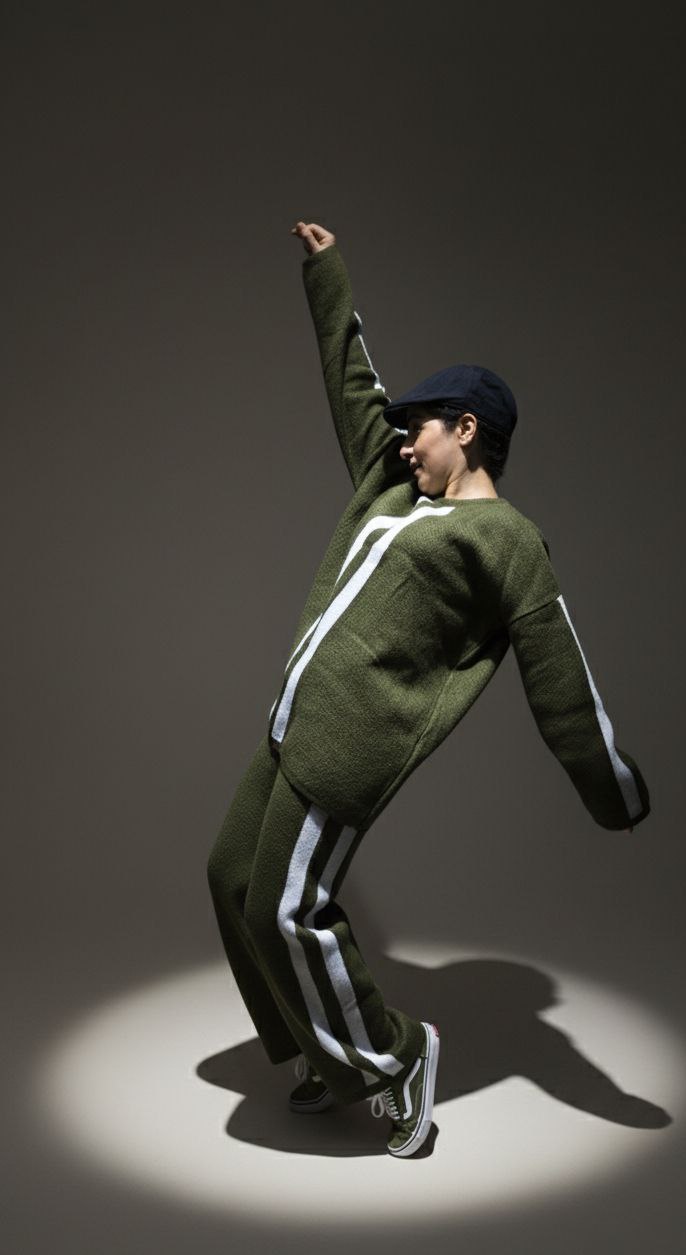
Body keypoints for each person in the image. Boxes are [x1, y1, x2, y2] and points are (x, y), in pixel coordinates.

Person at [206, 219, 650, 1159]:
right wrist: (327, 275)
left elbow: (559, 671)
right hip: (289, 725)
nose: (405, 443)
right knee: (232, 877)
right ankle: (320, 1050)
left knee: (286, 910)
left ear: (467, 429)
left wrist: (610, 785)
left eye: (422, 429)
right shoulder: (395, 489)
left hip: (345, 751)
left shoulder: (507, 541)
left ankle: (393, 1058)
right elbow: (353, 387)